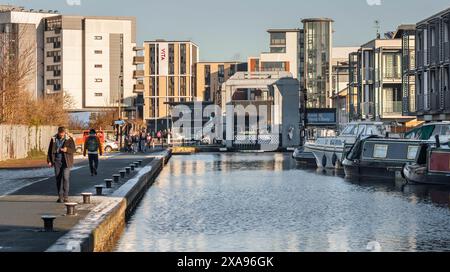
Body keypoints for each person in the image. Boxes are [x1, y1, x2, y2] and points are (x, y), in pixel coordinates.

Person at [47, 127, 76, 203]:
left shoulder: (69, 139)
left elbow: (73, 149)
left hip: (66, 161)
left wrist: (67, 150)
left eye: (63, 134)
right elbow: (49, 150)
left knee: (66, 178)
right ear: (58, 133)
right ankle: (60, 197)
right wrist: (49, 160)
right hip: (57, 161)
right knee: (58, 178)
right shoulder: (53, 139)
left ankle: (66, 196)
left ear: (64, 133)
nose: (62, 135)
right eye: (61, 134)